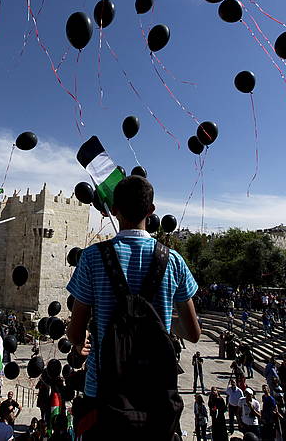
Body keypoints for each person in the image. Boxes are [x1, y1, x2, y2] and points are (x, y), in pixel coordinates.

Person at [66, 176, 200, 437]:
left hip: (104, 394)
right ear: (151, 212)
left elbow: (75, 333)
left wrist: (79, 343)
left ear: (114, 209)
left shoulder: (92, 258)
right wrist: (160, 320)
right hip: (156, 397)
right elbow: (193, 333)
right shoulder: (173, 261)